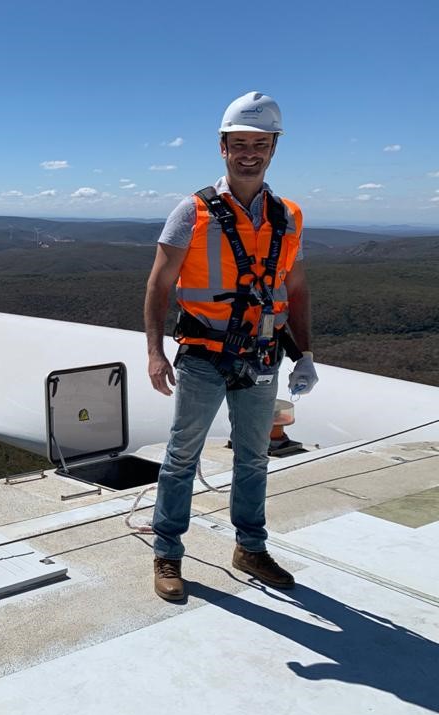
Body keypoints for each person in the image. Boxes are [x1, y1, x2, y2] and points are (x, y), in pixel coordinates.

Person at [142, 91, 318, 601]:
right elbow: (159, 284)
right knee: (181, 456)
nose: (249, 152)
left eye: (260, 143)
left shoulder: (288, 217)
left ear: (273, 148)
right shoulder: (192, 211)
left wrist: (304, 352)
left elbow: (297, 287)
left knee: (254, 457)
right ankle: (168, 554)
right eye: (239, 143)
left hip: (263, 354)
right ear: (223, 147)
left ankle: (250, 547)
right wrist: (155, 351)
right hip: (203, 354)